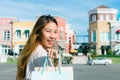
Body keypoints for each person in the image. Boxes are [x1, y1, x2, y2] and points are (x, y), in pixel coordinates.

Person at [16, 15, 59, 80]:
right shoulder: (42, 54)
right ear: (38, 32)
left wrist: (55, 60)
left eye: (55, 32)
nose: (52, 36)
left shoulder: (33, 50)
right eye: (48, 31)